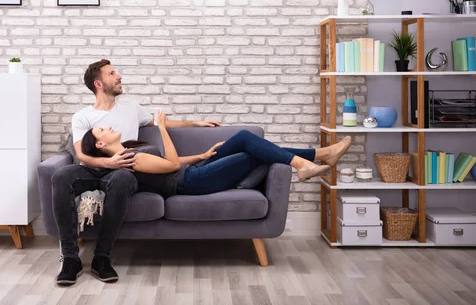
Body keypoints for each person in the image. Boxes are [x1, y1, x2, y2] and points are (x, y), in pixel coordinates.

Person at [53, 59, 220, 286]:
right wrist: (109, 162)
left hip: (123, 170)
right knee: (61, 175)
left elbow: (159, 122)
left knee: (122, 178)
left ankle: (101, 257)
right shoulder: (82, 117)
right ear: (99, 84)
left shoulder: (131, 108)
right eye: (112, 73)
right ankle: (70, 259)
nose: (119, 76)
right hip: (93, 169)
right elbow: (82, 155)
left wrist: (196, 123)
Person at [80, 110, 352, 199]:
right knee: (251, 153)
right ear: (101, 144)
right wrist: (162, 127)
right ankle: (310, 159)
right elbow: (171, 165)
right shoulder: (131, 159)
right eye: (102, 129)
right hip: (191, 182)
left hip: (196, 171)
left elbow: (169, 164)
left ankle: (316, 156)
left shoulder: (129, 150)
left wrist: (201, 155)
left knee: (246, 138)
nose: (109, 126)